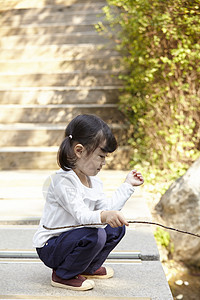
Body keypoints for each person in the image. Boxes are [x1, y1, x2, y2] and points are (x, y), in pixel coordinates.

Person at [33, 114, 144, 291]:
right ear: (79, 150)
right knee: (96, 235)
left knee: (115, 227)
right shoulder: (63, 181)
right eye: (101, 156)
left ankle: (87, 267)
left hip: (75, 238)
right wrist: (104, 215)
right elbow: (82, 216)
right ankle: (63, 274)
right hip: (52, 246)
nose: (104, 163)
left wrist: (128, 185)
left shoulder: (94, 181)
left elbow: (106, 211)